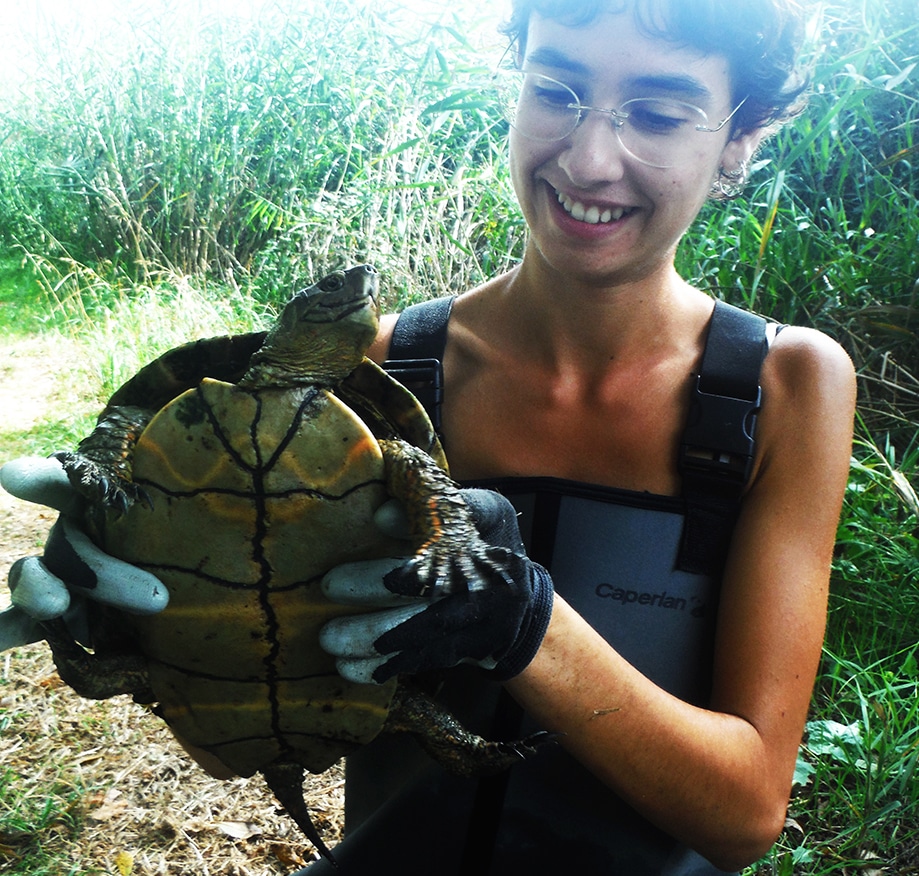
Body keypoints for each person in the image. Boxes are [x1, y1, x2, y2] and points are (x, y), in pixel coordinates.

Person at [1, 1, 856, 873]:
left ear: (740, 138)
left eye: (658, 114)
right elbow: (239, 747)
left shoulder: (780, 387)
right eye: (555, 90)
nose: (591, 158)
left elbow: (744, 816)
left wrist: (530, 625)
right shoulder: (381, 372)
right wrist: (136, 621)